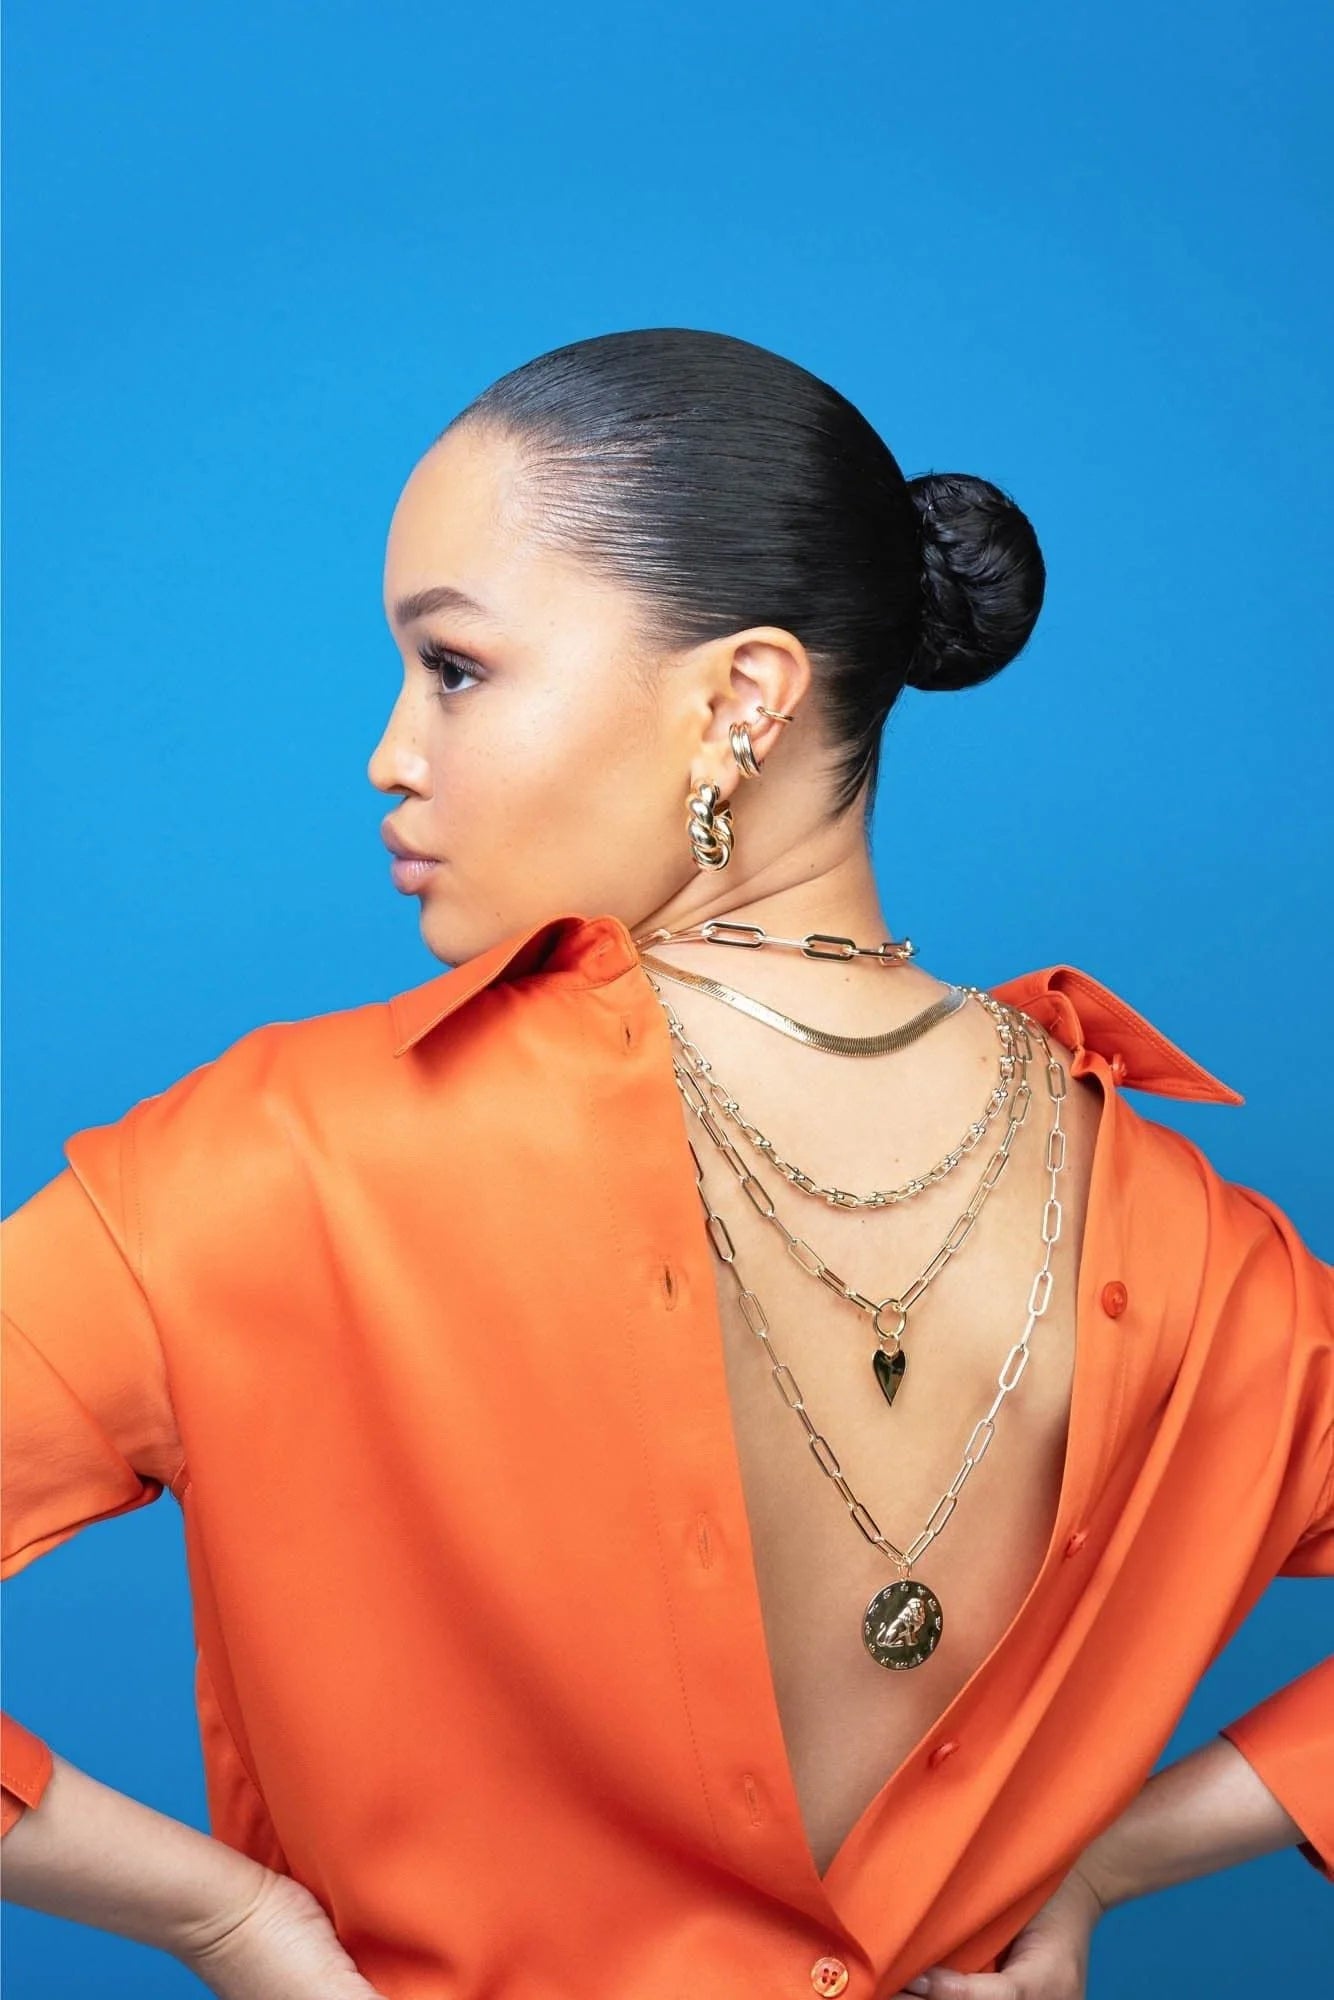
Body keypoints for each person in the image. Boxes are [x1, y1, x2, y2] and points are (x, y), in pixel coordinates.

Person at [1, 327, 1329, 2000]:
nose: (389, 753)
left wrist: (228, 1920)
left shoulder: (277, 1160)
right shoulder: (1201, 1253)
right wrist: (1102, 1863)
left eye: (454, 668)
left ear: (740, 700)